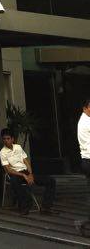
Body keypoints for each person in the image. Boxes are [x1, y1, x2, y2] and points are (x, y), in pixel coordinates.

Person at [0, 128, 57, 215]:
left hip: (26, 172)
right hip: (15, 174)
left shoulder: (18, 147)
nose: (6, 141)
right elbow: (8, 170)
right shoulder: (2, 152)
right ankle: (24, 207)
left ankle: (46, 207)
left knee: (51, 181)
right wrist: (23, 175)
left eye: (8, 138)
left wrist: (30, 174)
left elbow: (26, 162)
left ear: (12, 139)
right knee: (14, 181)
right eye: (4, 139)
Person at [75, 100, 90, 235]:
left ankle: (83, 224)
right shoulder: (85, 122)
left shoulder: (85, 119)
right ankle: (83, 223)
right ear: (85, 108)